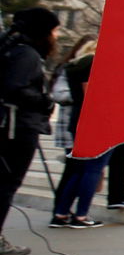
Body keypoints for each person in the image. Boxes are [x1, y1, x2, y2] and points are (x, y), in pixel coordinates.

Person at [0, 8, 60, 255]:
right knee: (7, 184)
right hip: (16, 128)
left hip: (12, 125)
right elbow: (15, 87)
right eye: (54, 31)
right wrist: (44, 101)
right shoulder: (27, 55)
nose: (56, 36)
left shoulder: (11, 50)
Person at [49, 40, 106, 230]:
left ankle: (61, 212)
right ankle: (81, 215)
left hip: (78, 120)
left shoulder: (73, 66)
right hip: (96, 122)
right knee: (93, 169)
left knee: (79, 169)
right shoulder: (91, 64)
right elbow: (91, 94)